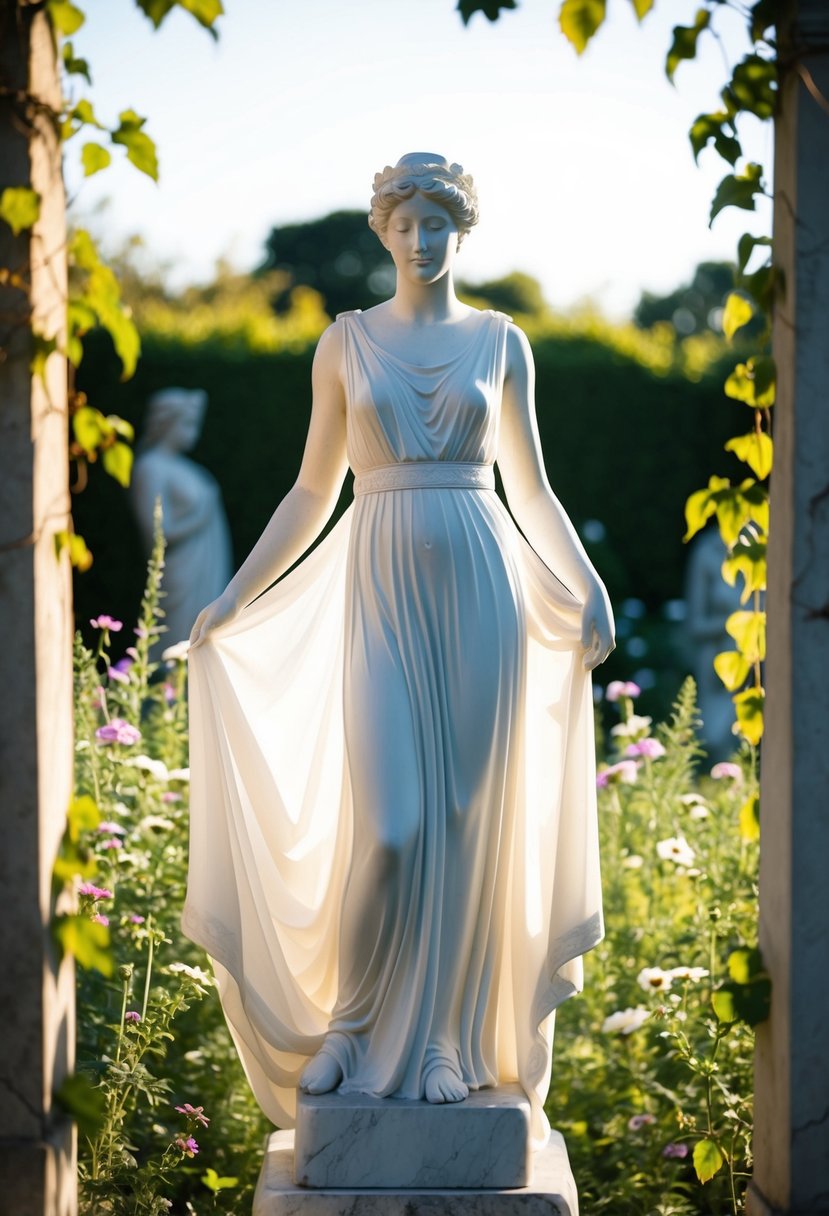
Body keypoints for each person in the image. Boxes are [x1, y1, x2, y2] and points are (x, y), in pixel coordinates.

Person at [183, 154, 615, 1146]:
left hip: (481, 591)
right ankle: (351, 1021)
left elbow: (531, 489)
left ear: (463, 232)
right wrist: (235, 595)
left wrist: (582, 580)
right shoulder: (344, 345)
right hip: (377, 587)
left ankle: (444, 1044)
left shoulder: (503, 343)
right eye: (405, 224)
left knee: (465, 820)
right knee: (390, 824)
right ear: (382, 232)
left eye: (437, 225)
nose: (421, 241)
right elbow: (309, 491)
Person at [130, 387, 233, 659]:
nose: (193, 432)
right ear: (166, 422)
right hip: (179, 574)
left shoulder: (184, 467)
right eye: (187, 423)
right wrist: (200, 516)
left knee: (205, 644)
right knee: (174, 645)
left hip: (205, 569)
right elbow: (157, 533)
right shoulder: (150, 467)